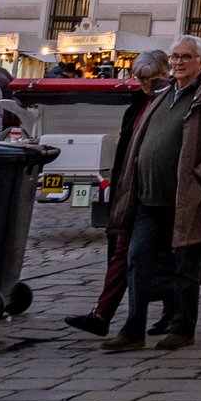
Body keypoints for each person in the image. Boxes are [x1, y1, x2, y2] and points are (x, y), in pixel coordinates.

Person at [101, 35, 201, 352]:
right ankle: (133, 328)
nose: (177, 62)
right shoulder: (162, 97)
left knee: (185, 267)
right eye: (174, 57)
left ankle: (182, 328)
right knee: (137, 261)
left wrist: (200, 176)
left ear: (200, 63)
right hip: (148, 199)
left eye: (185, 57)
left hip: (185, 200)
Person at [67, 50, 171, 337]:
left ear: (165, 74)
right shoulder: (136, 105)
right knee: (124, 251)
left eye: (151, 78)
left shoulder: (173, 104)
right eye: (141, 79)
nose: (146, 84)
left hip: (161, 192)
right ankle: (103, 314)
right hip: (132, 191)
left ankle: (169, 313)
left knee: (165, 255)